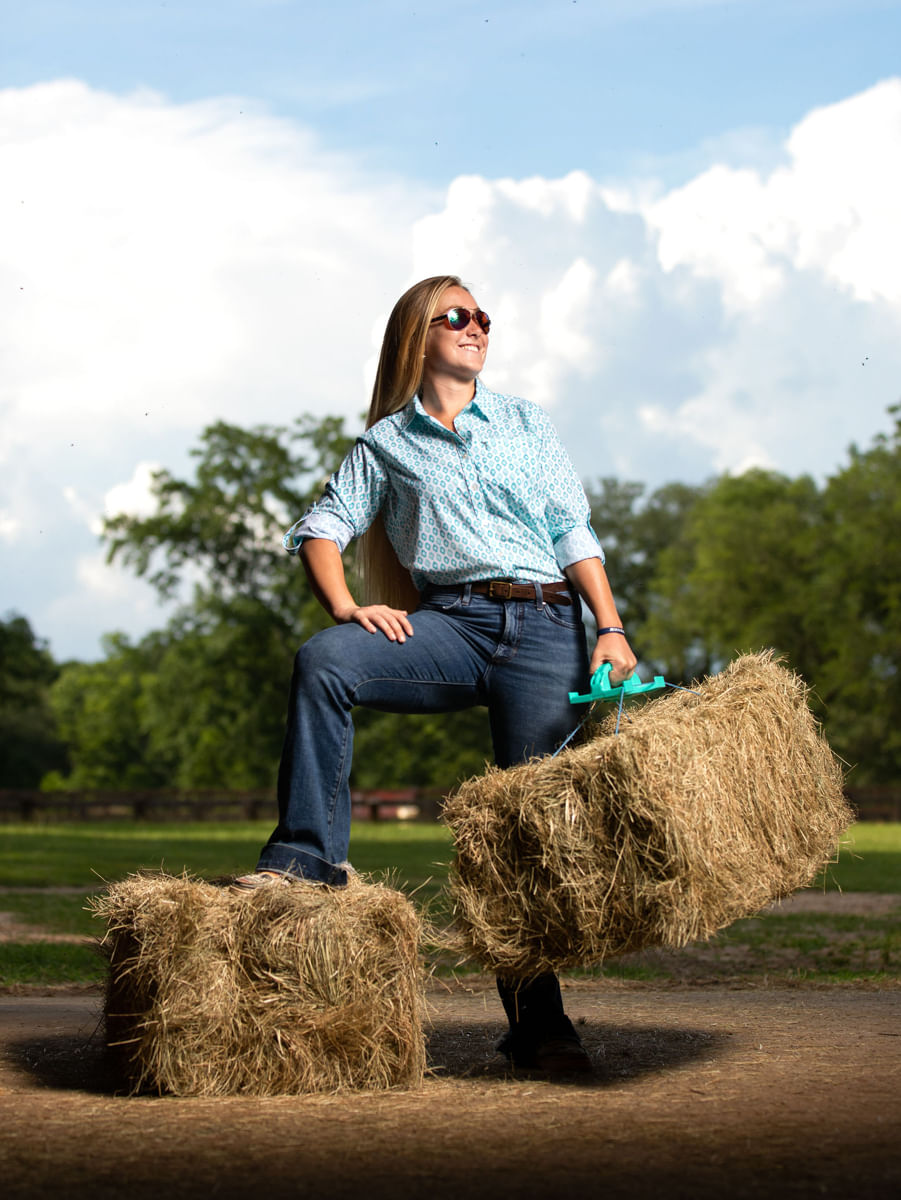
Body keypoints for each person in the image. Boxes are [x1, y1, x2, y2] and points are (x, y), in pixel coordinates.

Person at [233, 274, 637, 1073]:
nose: (476, 326)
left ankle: (538, 1022)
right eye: (456, 316)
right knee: (324, 662)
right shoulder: (386, 442)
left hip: (549, 626)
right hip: (451, 624)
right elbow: (321, 528)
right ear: (417, 337)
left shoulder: (525, 421)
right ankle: (306, 862)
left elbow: (572, 530)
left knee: (520, 825)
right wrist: (348, 607)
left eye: (483, 316)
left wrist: (610, 627)